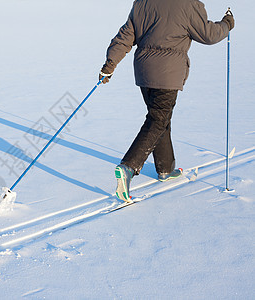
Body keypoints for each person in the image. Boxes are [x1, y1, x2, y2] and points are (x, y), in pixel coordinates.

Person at [99, 0, 235, 202]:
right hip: (168, 73)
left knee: (160, 118)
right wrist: (227, 23)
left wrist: (110, 65)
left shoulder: (142, 3)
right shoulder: (187, 4)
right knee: (158, 120)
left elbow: (125, 36)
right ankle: (128, 167)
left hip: (144, 72)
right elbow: (209, 34)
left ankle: (165, 168)